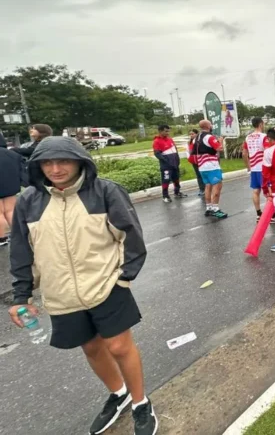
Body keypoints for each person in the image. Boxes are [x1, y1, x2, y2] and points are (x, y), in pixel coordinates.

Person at [7, 136, 157, 435]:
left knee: (119, 345)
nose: (55, 168)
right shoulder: (29, 201)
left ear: (79, 160)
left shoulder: (105, 192)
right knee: (90, 346)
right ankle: (119, 393)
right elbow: (22, 249)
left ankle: (141, 402)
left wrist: (124, 277)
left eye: (63, 160)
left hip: (106, 285)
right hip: (60, 293)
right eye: (47, 162)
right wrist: (21, 295)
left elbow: (132, 236)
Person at [242, 117, 275, 223]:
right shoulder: (264, 137)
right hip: (263, 168)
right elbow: (267, 151)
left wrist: (248, 167)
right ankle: (271, 215)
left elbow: (244, 153)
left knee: (256, 190)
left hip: (253, 168)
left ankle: (258, 214)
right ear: (261, 124)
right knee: (268, 191)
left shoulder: (248, 137)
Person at [193, 120, 228, 219]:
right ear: (208, 126)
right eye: (211, 124)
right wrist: (220, 141)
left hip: (202, 166)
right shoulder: (209, 137)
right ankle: (215, 209)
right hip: (211, 165)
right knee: (217, 186)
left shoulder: (197, 137)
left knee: (208, 186)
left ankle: (208, 208)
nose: (212, 125)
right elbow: (219, 148)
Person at [0, 132, 24, 246]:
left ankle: (2, 238)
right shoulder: (12, 154)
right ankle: (19, 235)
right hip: (11, 185)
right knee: (11, 211)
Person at [153, 124, 186, 203]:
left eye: (168, 131)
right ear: (160, 131)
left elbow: (175, 150)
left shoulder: (170, 139)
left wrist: (177, 160)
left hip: (175, 164)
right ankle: (165, 196)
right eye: (166, 131)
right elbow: (157, 154)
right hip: (166, 166)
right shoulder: (157, 141)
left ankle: (177, 192)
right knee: (166, 180)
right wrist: (166, 161)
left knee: (176, 179)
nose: (168, 133)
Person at [187, 129, 205, 196]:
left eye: (193, 134)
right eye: (190, 134)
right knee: (198, 175)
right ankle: (202, 189)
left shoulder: (200, 141)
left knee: (203, 174)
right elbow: (188, 151)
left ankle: (207, 187)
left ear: (197, 134)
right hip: (194, 161)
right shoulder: (190, 142)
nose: (191, 135)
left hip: (201, 160)